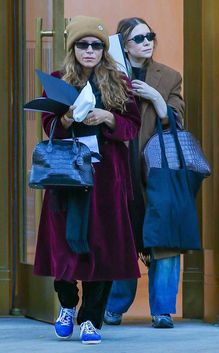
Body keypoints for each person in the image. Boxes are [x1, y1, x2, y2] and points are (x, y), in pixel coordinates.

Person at [33, 15, 141, 344]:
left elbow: (131, 127)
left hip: (106, 176)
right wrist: (66, 117)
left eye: (96, 45)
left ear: (103, 50)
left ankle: (91, 319)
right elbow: (48, 127)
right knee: (63, 245)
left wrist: (108, 117)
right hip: (66, 176)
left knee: (102, 247)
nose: (89, 50)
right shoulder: (57, 79)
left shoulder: (119, 82)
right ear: (73, 48)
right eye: (83, 44)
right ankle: (67, 304)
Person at [104, 17, 185, 329]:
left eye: (150, 36)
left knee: (164, 237)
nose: (147, 42)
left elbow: (177, 121)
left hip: (159, 168)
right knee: (121, 233)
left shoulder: (169, 77)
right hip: (119, 166)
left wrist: (154, 96)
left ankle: (162, 310)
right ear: (124, 44)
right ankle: (114, 305)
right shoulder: (108, 76)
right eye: (138, 38)